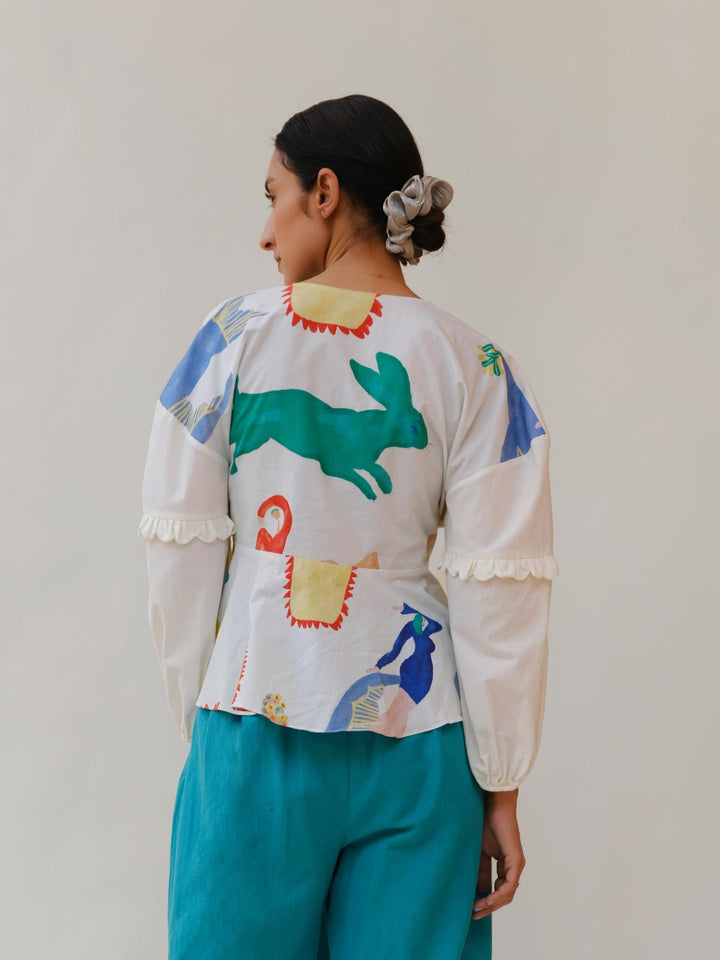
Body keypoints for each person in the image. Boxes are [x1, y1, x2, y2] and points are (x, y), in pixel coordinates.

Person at [138, 93, 559, 960]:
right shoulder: (475, 364)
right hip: (421, 740)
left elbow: (180, 543)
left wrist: (204, 716)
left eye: (274, 196)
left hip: (255, 716)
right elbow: (501, 586)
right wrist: (501, 782)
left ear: (324, 192)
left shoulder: (232, 339)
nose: (265, 232)